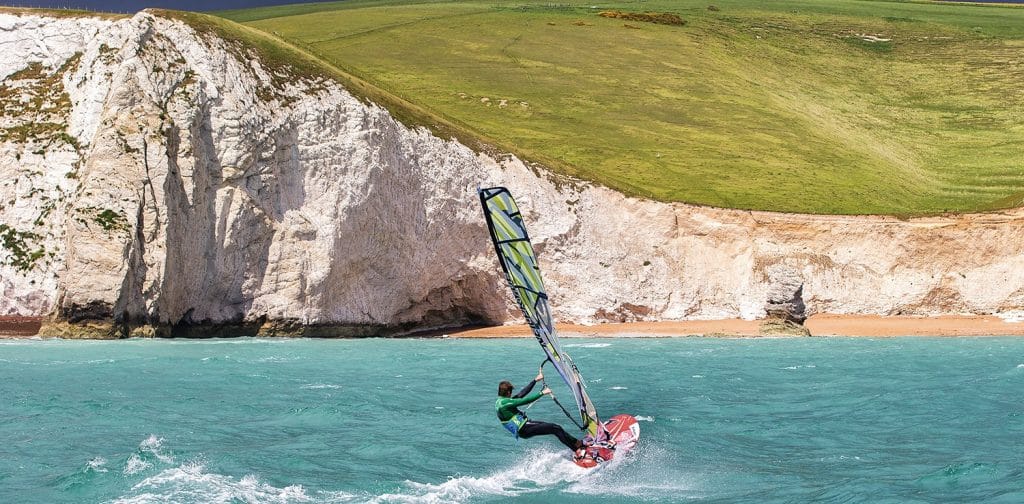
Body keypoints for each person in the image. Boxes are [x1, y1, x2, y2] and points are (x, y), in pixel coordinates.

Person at [495, 370, 584, 454]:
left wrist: (535, 380)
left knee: (555, 427)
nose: (511, 394)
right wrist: (542, 393)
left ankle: (577, 443)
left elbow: (521, 394)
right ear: (508, 392)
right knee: (555, 428)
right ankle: (577, 451)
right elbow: (525, 400)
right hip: (524, 429)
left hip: (525, 426)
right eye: (510, 392)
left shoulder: (500, 401)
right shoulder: (504, 403)